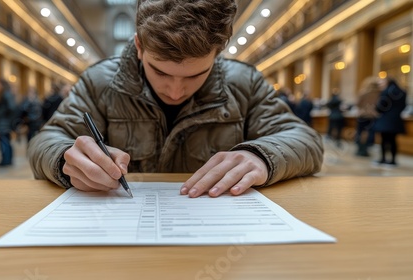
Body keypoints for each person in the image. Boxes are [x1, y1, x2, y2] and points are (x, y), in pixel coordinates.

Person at [28, 0, 323, 198]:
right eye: (160, 72)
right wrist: (65, 157)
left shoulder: (244, 82)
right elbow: (46, 140)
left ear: (218, 53)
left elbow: (306, 141)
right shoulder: (99, 81)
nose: (175, 91)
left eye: (196, 75)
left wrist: (261, 156)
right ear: (139, 46)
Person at [373, 77, 407, 166]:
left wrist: (378, 110)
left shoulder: (385, 92)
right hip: (396, 119)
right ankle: (393, 160)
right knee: (393, 140)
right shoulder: (402, 92)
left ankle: (383, 159)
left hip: (385, 119)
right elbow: (403, 106)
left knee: (384, 140)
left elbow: (381, 106)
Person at [0, 78, 16, 166]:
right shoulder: (6, 94)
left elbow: (11, 108)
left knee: (4, 141)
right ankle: (7, 160)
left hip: (4, 122)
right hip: (4, 122)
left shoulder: (6, 94)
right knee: (5, 141)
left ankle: (6, 160)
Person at [354, 77, 381, 156]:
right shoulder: (379, 93)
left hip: (363, 115)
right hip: (373, 116)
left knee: (360, 132)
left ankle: (360, 149)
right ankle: (366, 148)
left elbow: (358, 104)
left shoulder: (363, 92)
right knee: (370, 132)